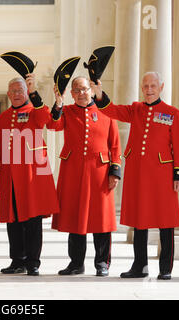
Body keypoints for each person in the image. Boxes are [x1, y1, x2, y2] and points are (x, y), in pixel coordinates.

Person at [92, 72, 179, 280]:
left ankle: (166, 268)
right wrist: (99, 93)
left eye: (153, 85)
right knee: (139, 220)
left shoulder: (172, 113)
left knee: (166, 221)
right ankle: (140, 266)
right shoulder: (135, 109)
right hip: (139, 175)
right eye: (146, 86)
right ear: (142, 87)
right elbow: (111, 110)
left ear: (161, 87)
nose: (149, 89)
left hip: (163, 175)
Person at [46, 76, 121, 277]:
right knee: (75, 219)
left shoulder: (106, 110)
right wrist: (58, 103)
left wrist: (115, 171)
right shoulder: (68, 111)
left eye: (84, 89)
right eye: (76, 90)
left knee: (101, 220)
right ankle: (76, 263)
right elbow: (52, 126)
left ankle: (102, 263)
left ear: (91, 90)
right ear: (71, 94)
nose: (81, 94)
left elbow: (114, 144)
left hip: (100, 172)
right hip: (74, 172)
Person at [0, 75, 59, 276]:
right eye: (13, 91)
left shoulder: (34, 112)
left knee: (33, 220)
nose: (16, 94)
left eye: (20, 91)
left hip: (31, 174)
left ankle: (33, 262)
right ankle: (17, 260)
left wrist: (34, 93)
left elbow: (47, 118)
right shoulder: (4, 117)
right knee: (13, 220)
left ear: (26, 93)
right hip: (10, 176)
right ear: (8, 94)